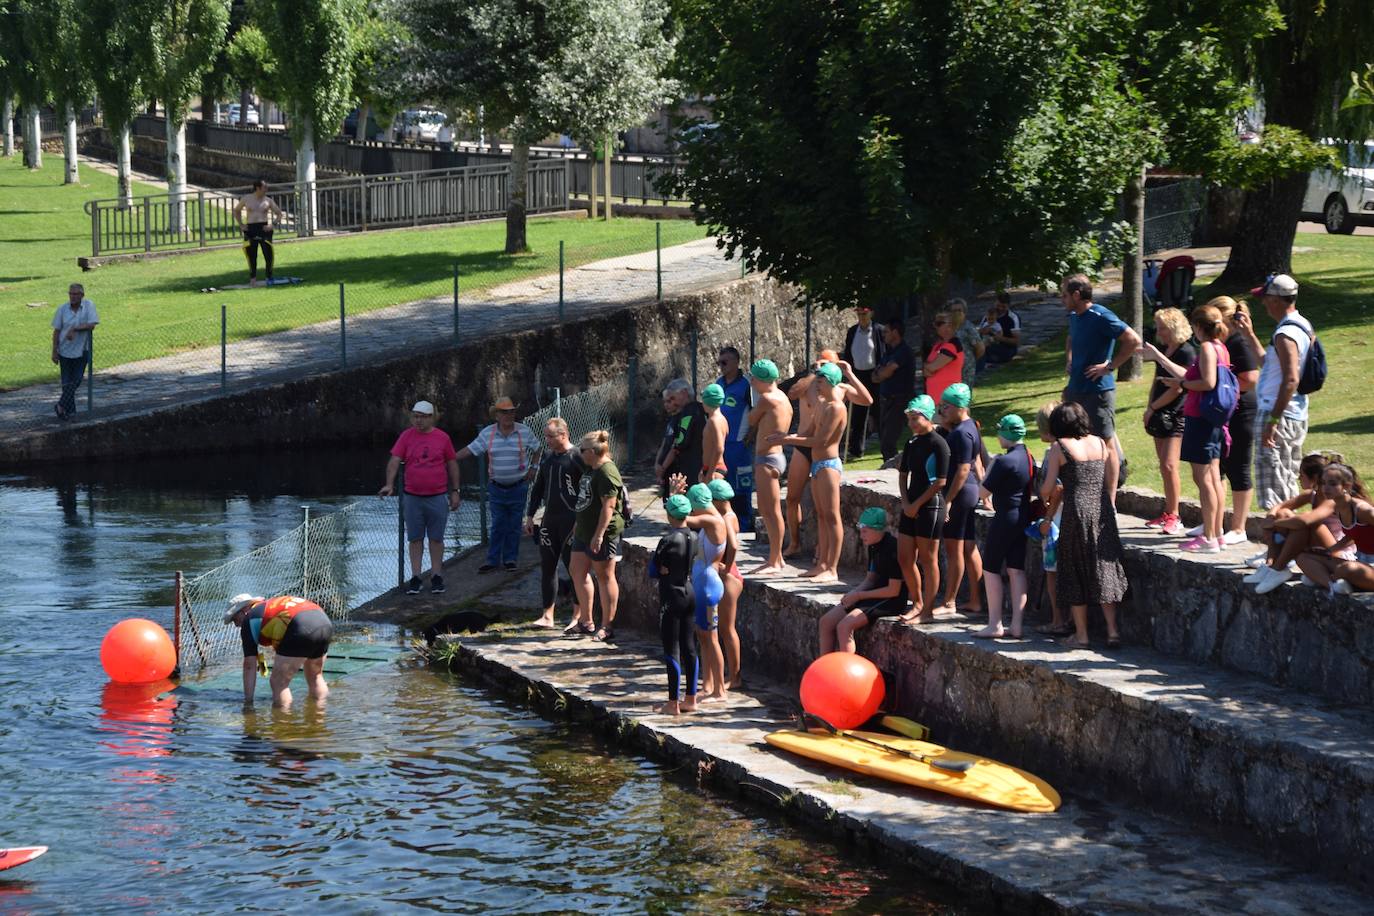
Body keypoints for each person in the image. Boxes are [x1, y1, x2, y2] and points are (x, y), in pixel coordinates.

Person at [1041, 402, 1127, 649]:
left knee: (1074, 570)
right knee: (1104, 568)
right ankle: (1112, 632)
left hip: (1075, 512)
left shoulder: (1060, 447)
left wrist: (1043, 496)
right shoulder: (1100, 442)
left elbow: (1048, 488)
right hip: (1101, 510)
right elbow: (1112, 467)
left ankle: (1082, 636)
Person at [1154, 305, 1231, 553]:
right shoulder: (1222, 347)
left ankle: (1209, 537)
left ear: (1198, 327)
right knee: (1214, 476)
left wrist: (1183, 383)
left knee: (1204, 478)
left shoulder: (1208, 347)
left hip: (1201, 418)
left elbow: (1208, 382)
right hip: (1214, 420)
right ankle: (1216, 533)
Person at [781, 353, 872, 560]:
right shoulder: (812, 383)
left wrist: (849, 373)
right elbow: (793, 393)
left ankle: (826, 558)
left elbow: (867, 400)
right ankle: (796, 544)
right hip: (804, 445)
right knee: (793, 497)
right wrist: (813, 374)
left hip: (823, 451)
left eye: (827, 363)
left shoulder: (839, 392)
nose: (821, 365)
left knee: (829, 514)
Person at [769, 361, 847, 581]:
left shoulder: (837, 407)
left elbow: (821, 441)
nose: (817, 385)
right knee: (822, 516)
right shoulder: (822, 404)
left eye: (820, 382)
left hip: (829, 465)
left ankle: (832, 568)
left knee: (832, 517)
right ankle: (822, 563)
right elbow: (811, 431)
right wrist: (788, 437)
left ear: (830, 382)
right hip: (817, 465)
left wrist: (787, 439)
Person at [1061, 274, 1141, 477]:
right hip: (1076, 389)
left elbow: (1133, 340)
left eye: (1064, 295)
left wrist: (1110, 366)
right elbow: (1071, 339)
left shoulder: (1101, 316)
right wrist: (1069, 359)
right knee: (1075, 440)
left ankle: (1110, 502)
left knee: (1106, 443)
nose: (1061, 300)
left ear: (1076, 295)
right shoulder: (1074, 317)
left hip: (1097, 391)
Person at [1249, 274, 1315, 515]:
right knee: (1285, 483)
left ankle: (1279, 550)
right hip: (1294, 413)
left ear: (1276, 300)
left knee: (1275, 492)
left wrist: (1273, 421)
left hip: (1278, 415)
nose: (1263, 303)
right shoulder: (1302, 326)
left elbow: (1290, 379)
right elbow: (1270, 365)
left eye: (1266, 298)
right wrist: (1249, 334)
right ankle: (1286, 548)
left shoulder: (1286, 333)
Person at [379, 400, 460, 594]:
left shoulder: (442, 438)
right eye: (416, 416)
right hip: (412, 496)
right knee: (415, 538)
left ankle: (436, 575)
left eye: (423, 417)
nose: (419, 420)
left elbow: (452, 464)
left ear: (431, 418)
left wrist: (455, 491)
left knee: (436, 538)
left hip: (437, 495)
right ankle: (415, 577)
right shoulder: (406, 437)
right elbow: (394, 461)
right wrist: (389, 484)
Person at [456, 396, 540, 572]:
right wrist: (450, 458)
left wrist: (534, 467)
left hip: (519, 485)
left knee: (515, 524)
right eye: (504, 412)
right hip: (496, 486)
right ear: (497, 415)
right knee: (498, 523)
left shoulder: (524, 431)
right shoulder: (488, 433)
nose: (509, 416)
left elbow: (538, 448)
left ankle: (510, 559)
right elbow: (471, 449)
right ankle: (493, 560)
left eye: (511, 412)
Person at [816, 508, 909, 654]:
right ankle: (824, 670)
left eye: (865, 531)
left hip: (891, 600)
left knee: (844, 626)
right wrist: (854, 593)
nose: (861, 535)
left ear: (878, 530)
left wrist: (859, 596)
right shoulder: (873, 545)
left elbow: (893, 590)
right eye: (860, 530)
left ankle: (846, 674)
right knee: (826, 622)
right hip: (872, 594)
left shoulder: (892, 550)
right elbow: (870, 579)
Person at [1245, 453, 1341, 593]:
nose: (1298, 478)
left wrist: (1274, 524)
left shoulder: (1330, 500)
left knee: (1306, 524)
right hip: (1316, 550)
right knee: (1283, 514)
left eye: (1301, 474)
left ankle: (1278, 569)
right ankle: (1270, 565)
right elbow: (1279, 507)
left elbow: (1305, 520)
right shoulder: (1311, 495)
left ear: (1314, 478)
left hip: (1336, 551)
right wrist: (1271, 517)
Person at [974, 415, 1034, 639]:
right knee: (1016, 569)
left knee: (990, 568)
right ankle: (1017, 625)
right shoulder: (1028, 456)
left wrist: (987, 472)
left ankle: (994, 624)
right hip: (1023, 517)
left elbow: (982, 493)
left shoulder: (1002, 461)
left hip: (1005, 518)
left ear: (1005, 433)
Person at [1137, 307, 1195, 536]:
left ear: (1173, 327)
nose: (1158, 331)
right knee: (1163, 465)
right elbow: (1158, 381)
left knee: (1170, 465)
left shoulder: (1186, 352)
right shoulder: (1164, 348)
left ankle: (1175, 516)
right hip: (1160, 414)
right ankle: (1167, 511)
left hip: (1177, 414)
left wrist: (1153, 407)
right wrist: (1149, 406)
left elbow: (1180, 384)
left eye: (1162, 327)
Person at [524, 417, 584, 629]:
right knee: (547, 567)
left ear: (563, 435)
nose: (546, 440)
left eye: (550, 436)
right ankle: (547, 615)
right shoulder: (548, 458)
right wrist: (530, 516)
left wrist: (583, 519)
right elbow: (538, 488)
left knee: (574, 569)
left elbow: (587, 491)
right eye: (546, 436)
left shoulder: (577, 457)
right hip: (549, 520)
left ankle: (578, 615)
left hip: (571, 522)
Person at [224, 594, 333, 707]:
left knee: (278, 683)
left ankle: (282, 722)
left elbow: (249, 666)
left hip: (299, 625)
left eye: (235, 619)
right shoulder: (270, 607)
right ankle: (319, 719)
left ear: (245, 610)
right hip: (323, 621)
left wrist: (248, 702)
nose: (236, 625)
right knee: (315, 676)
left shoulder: (249, 619)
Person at [568, 430, 623, 641]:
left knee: (604, 575)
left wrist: (599, 535)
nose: (580, 454)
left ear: (592, 451)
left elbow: (608, 506)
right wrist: (577, 523)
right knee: (577, 571)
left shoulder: (607, 472)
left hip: (602, 533)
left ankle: (607, 626)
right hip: (583, 530)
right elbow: (585, 500)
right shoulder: (591, 468)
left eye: (582, 451)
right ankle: (586, 621)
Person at [897, 395, 948, 622]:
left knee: (928, 559)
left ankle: (927, 611)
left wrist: (916, 504)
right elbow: (902, 475)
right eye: (909, 419)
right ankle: (917, 602)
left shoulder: (939, 443)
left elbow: (940, 482)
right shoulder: (912, 443)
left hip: (931, 506)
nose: (911, 424)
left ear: (927, 417)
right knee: (905, 557)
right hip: (911, 505)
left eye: (915, 418)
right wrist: (906, 503)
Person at [680, 483, 733, 699]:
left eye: (692, 506)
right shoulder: (708, 521)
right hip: (702, 584)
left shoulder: (713, 520)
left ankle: (719, 690)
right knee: (703, 637)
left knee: (711, 638)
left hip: (709, 586)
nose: (692, 511)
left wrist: (675, 498)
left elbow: (680, 519)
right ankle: (707, 685)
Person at [936, 383, 984, 614]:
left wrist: (948, 500)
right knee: (968, 547)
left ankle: (949, 601)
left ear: (959, 407)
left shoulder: (963, 433)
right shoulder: (967, 427)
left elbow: (964, 469)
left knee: (954, 548)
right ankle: (975, 599)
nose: (942, 409)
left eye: (947, 406)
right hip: (969, 491)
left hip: (961, 493)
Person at [1294, 463, 1374, 595]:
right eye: (1323, 483)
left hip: (1364, 567)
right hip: (1359, 562)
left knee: (1347, 569)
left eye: (1332, 484)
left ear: (1346, 486)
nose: (1325, 488)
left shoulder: (1363, 511)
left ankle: (1324, 578)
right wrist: (1330, 551)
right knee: (1303, 557)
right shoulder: (1338, 508)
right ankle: (1333, 586)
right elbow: (1354, 535)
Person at [745, 358, 793, 574]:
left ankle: (775, 559)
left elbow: (751, 419)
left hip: (767, 458)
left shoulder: (766, 399)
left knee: (770, 511)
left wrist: (756, 400)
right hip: (777, 456)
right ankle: (777, 558)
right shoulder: (782, 397)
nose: (752, 382)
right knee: (768, 510)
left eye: (754, 377)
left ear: (764, 379)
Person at [651, 495, 698, 715]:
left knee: (672, 648)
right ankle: (691, 699)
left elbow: (653, 570)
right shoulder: (694, 536)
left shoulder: (668, 540)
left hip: (671, 594)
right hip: (689, 590)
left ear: (670, 515)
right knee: (690, 646)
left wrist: (661, 569)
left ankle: (672, 704)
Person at [1030, 402, 1070, 636]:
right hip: (1071, 517)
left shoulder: (1055, 452)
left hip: (1056, 520)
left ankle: (1058, 620)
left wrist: (1046, 518)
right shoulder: (1074, 448)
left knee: (1053, 572)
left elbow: (1054, 489)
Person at [708, 477, 745, 688]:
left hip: (730, 577)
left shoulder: (726, 518)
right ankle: (730, 674)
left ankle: (736, 677)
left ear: (718, 500)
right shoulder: (728, 514)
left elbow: (733, 544)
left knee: (727, 629)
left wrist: (727, 567)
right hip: (729, 575)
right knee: (723, 628)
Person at [714, 347, 754, 532]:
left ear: (736, 362)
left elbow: (757, 413)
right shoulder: (718, 384)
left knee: (741, 487)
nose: (721, 366)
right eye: (719, 362)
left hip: (739, 446)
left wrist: (751, 435)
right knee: (721, 487)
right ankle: (725, 525)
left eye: (725, 362)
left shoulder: (746, 386)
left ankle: (744, 525)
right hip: (721, 446)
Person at [841, 305, 885, 459]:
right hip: (858, 375)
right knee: (858, 413)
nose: (862, 317)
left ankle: (885, 447)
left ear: (871, 313)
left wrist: (880, 371)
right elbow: (848, 352)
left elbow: (882, 352)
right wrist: (849, 373)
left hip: (875, 375)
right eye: (859, 314)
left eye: (865, 314)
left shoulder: (879, 330)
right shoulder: (853, 331)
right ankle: (856, 448)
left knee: (879, 410)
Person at [50, 283, 98, 421]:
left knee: (76, 381)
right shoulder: (62, 309)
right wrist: (54, 350)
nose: (73, 296)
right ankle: (71, 413)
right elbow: (57, 331)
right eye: (71, 294)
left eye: (76, 294)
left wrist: (74, 329)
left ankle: (60, 406)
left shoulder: (88, 306)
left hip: (83, 350)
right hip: (65, 351)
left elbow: (92, 325)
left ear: (82, 295)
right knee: (67, 382)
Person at [873, 321, 917, 463]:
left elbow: (886, 372)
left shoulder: (904, 351)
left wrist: (883, 372)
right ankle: (893, 466)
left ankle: (894, 469)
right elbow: (875, 376)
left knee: (888, 441)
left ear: (895, 332)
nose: (883, 335)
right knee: (884, 441)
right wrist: (883, 372)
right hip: (886, 400)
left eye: (886, 331)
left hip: (900, 400)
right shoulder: (889, 351)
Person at [653, 378, 704, 496]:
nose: (669, 403)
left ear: (684, 393)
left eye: (672, 398)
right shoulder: (675, 417)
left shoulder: (690, 412)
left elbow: (678, 444)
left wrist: (663, 467)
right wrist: (658, 463)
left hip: (688, 469)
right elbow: (665, 442)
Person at [231, 180, 284, 286]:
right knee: (251, 255)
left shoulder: (268, 201)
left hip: (264, 229)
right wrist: (241, 224)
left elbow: (279, 214)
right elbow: (236, 211)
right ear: (258, 188)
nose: (266, 189)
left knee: (268, 254)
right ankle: (253, 278)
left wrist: (272, 225)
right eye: (264, 187)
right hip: (251, 228)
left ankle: (269, 277)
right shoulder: (247, 199)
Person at [922, 311, 964, 406]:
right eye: (935, 323)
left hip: (948, 402)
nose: (935, 326)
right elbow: (926, 370)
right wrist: (928, 367)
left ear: (950, 325)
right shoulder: (938, 346)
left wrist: (928, 367)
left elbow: (932, 367)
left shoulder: (953, 345)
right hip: (935, 400)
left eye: (939, 323)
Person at [946, 299, 985, 388]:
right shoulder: (947, 327)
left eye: (959, 310)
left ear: (964, 312)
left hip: (966, 369)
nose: (957, 313)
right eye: (954, 311)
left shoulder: (968, 328)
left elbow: (980, 348)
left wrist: (970, 359)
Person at [979, 291, 1021, 368]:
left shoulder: (1013, 318)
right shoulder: (987, 316)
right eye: (998, 306)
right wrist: (983, 331)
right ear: (995, 303)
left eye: (1003, 307)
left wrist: (1000, 338)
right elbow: (979, 332)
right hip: (987, 344)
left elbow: (1016, 341)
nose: (1000, 309)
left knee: (1002, 354)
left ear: (1008, 306)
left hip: (1005, 347)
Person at [699, 383, 729, 483]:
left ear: (707, 400)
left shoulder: (714, 421)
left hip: (715, 469)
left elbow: (719, 448)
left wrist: (710, 472)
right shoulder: (722, 419)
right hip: (711, 467)